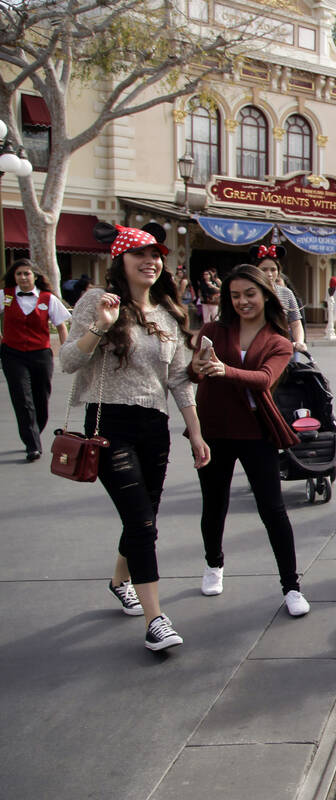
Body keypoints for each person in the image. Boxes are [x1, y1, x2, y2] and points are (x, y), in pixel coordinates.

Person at [60, 223, 210, 651]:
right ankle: (155, 618)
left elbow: (180, 380)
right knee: (143, 522)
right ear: (120, 260)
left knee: (143, 517)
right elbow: (69, 361)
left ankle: (118, 580)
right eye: (140, 254)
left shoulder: (167, 313)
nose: (151, 262)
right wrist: (101, 326)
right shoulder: (97, 302)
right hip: (108, 425)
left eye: (156, 255)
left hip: (153, 427)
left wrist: (195, 433)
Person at [189, 264, 309, 616]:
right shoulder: (213, 329)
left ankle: (291, 586)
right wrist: (197, 366)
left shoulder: (279, 340)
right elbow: (192, 374)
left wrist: (225, 371)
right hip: (213, 429)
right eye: (235, 295)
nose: (243, 301)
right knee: (214, 504)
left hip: (256, 432)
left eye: (249, 294)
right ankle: (214, 563)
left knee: (273, 510)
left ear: (265, 294)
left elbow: (263, 379)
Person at [2, 258, 70, 460]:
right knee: (22, 399)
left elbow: (61, 325)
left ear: (35, 276)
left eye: (27, 273)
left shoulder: (48, 298)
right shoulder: (6, 297)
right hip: (12, 354)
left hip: (40, 354)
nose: (23, 277)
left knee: (41, 399)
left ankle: (33, 433)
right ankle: (33, 444)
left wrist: (65, 351)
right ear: (14, 277)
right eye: (19, 274)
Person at [253, 244, 307, 356]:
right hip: (256, 349)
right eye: (264, 269)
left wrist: (299, 342)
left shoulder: (286, 293)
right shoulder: (249, 292)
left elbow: (296, 323)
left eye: (273, 269)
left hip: (282, 348)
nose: (269, 274)